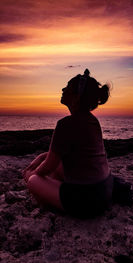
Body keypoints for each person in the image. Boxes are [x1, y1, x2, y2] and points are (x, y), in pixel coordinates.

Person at [23, 69, 113, 218]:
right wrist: (38, 162)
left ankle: (36, 185)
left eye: (68, 86)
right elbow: (52, 158)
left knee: (33, 180)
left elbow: (48, 167)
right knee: (45, 157)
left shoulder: (66, 124)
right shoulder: (93, 121)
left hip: (87, 201)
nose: (63, 89)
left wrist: (30, 174)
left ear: (77, 97)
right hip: (105, 190)